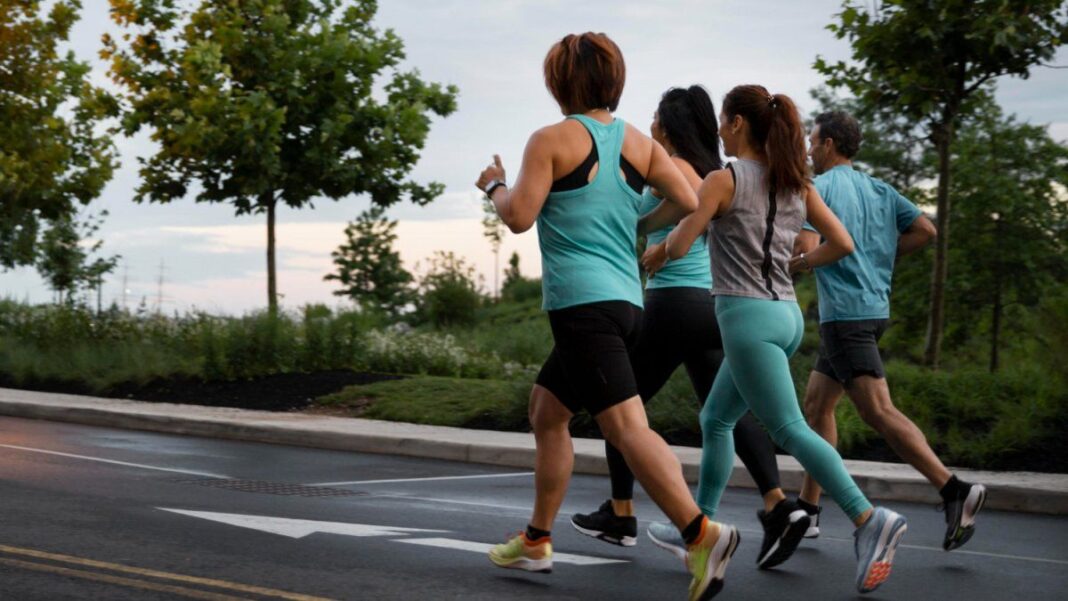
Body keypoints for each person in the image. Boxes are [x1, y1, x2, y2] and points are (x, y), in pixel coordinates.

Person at [475, 33, 739, 601]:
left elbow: (519, 216)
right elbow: (689, 200)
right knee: (547, 411)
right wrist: (637, 226)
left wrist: (494, 186)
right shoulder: (639, 143)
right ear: (613, 81)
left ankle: (701, 534)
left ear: (559, 82)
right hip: (626, 303)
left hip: (582, 307)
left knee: (625, 427)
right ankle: (537, 540)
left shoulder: (550, 140)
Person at [652, 84, 907, 594]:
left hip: (746, 319)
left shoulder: (724, 180)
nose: (719, 130)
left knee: (789, 428)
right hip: (786, 316)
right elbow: (842, 242)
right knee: (716, 418)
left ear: (738, 123)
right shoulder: (796, 182)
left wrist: (653, 252)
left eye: (723, 121)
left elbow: (679, 244)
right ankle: (697, 527)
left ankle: (868, 519)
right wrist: (799, 263)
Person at [569, 85, 803, 571]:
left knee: (619, 406)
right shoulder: (711, 169)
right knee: (728, 413)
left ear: (670, 125)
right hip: (710, 308)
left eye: (657, 116)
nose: (651, 123)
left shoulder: (675, 169)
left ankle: (621, 513)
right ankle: (778, 504)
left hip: (673, 304)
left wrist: (646, 234)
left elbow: (678, 204)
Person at [794, 110, 987, 550]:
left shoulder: (820, 188)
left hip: (845, 316)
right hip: (873, 310)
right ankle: (808, 508)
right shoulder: (880, 189)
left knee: (877, 410)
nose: (808, 150)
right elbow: (925, 230)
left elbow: (805, 247)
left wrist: (791, 261)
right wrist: (880, 255)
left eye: (812, 142)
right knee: (817, 405)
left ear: (828, 145)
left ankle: (953, 488)